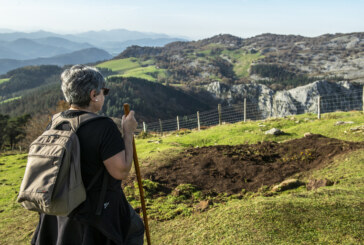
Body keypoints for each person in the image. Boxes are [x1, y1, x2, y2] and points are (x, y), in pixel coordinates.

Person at [31, 64, 144, 245]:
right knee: (135, 228)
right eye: (103, 91)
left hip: (59, 211)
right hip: (96, 215)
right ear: (93, 95)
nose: (104, 96)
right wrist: (128, 132)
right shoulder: (103, 126)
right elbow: (121, 171)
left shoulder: (56, 122)